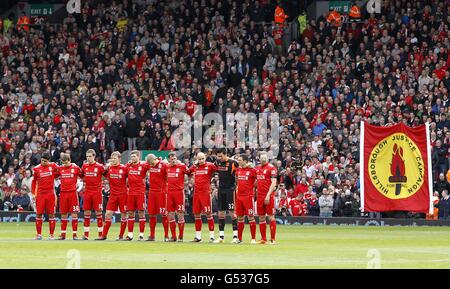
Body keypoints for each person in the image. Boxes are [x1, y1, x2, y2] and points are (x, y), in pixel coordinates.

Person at [97, 151, 128, 240]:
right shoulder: (109, 168)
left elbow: (130, 178)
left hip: (123, 195)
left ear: (119, 159)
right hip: (113, 195)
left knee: (123, 215)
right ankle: (104, 235)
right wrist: (105, 169)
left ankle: (121, 236)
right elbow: (103, 177)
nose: (113, 160)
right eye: (112, 158)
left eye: (115, 158)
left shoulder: (124, 168)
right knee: (108, 214)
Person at [188, 152, 218, 242]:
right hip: (196, 193)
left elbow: (218, 169)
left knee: (209, 214)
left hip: (205, 193)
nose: (201, 160)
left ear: (205, 158)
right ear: (197, 159)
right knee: (197, 215)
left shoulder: (210, 166)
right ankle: (198, 236)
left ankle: (212, 236)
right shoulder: (195, 167)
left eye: (202, 158)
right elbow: (188, 172)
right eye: (199, 159)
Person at [213, 149, 239, 243]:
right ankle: (221, 237)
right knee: (221, 213)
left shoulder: (233, 163)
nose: (219, 158)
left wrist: (237, 186)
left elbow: (239, 173)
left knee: (232, 213)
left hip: (230, 190)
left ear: (225, 154)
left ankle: (235, 236)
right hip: (221, 190)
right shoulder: (217, 163)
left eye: (221, 156)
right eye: (218, 156)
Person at [32, 152, 59, 240]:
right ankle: (39, 234)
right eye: (42, 160)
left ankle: (51, 235)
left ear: (49, 161)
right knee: (39, 214)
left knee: (51, 214)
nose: (43, 162)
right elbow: (34, 181)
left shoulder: (53, 166)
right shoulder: (36, 169)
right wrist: (33, 193)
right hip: (40, 194)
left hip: (50, 194)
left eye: (45, 161)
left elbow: (60, 171)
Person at [81, 149, 105, 240]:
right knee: (87, 213)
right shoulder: (84, 166)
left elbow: (106, 175)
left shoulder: (99, 166)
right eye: (87, 156)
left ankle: (100, 234)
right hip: (87, 192)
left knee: (98, 213)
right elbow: (82, 175)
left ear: (94, 156)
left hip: (97, 192)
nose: (88, 158)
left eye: (90, 156)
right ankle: (86, 234)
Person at [125, 150, 150, 241]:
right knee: (130, 213)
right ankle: (130, 234)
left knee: (141, 213)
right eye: (131, 157)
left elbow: (152, 165)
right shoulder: (128, 166)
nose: (132, 158)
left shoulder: (143, 166)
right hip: (131, 193)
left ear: (138, 157)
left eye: (134, 156)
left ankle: (141, 234)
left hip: (140, 193)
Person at [58, 153, 82, 240]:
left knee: (74, 214)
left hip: (72, 193)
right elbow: (55, 176)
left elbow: (83, 175)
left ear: (69, 160)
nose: (64, 164)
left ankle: (75, 235)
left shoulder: (75, 168)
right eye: (63, 162)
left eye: (66, 162)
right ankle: (63, 235)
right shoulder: (60, 168)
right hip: (63, 193)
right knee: (63, 214)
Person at [255, 152, 278, 245]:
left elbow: (273, 183)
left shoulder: (272, 168)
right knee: (261, 217)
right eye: (262, 158)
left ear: (268, 158)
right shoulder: (257, 168)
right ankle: (263, 239)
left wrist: (268, 195)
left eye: (265, 158)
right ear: (259, 158)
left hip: (268, 195)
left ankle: (272, 239)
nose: (263, 159)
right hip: (259, 196)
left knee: (271, 217)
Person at [235, 154, 257, 244]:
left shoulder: (252, 170)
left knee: (251, 217)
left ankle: (253, 239)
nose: (238, 161)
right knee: (240, 218)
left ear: (245, 161)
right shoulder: (238, 170)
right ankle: (239, 239)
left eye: (240, 160)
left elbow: (258, 179)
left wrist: (253, 186)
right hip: (239, 197)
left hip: (248, 197)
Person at [166, 152, 189, 242]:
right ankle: (173, 236)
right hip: (170, 193)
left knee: (180, 214)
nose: (173, 161)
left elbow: (189, 172)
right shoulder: (166, 167)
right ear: (169, 160)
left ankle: (181, 236)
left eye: (174, 159)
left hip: (179, 193)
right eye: (171, 159)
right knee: (170, 214)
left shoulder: (182, 166)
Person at [146, 153, 169, 241]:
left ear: (155, 159)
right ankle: (152, 235)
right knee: (152, 214)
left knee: (164, 214)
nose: (151, 165)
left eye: (152, 163)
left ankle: (166, 236)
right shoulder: (149, 165)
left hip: (161, 192)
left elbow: (168, 176)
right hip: (152, 193)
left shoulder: (164, 165)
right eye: (150, 164)